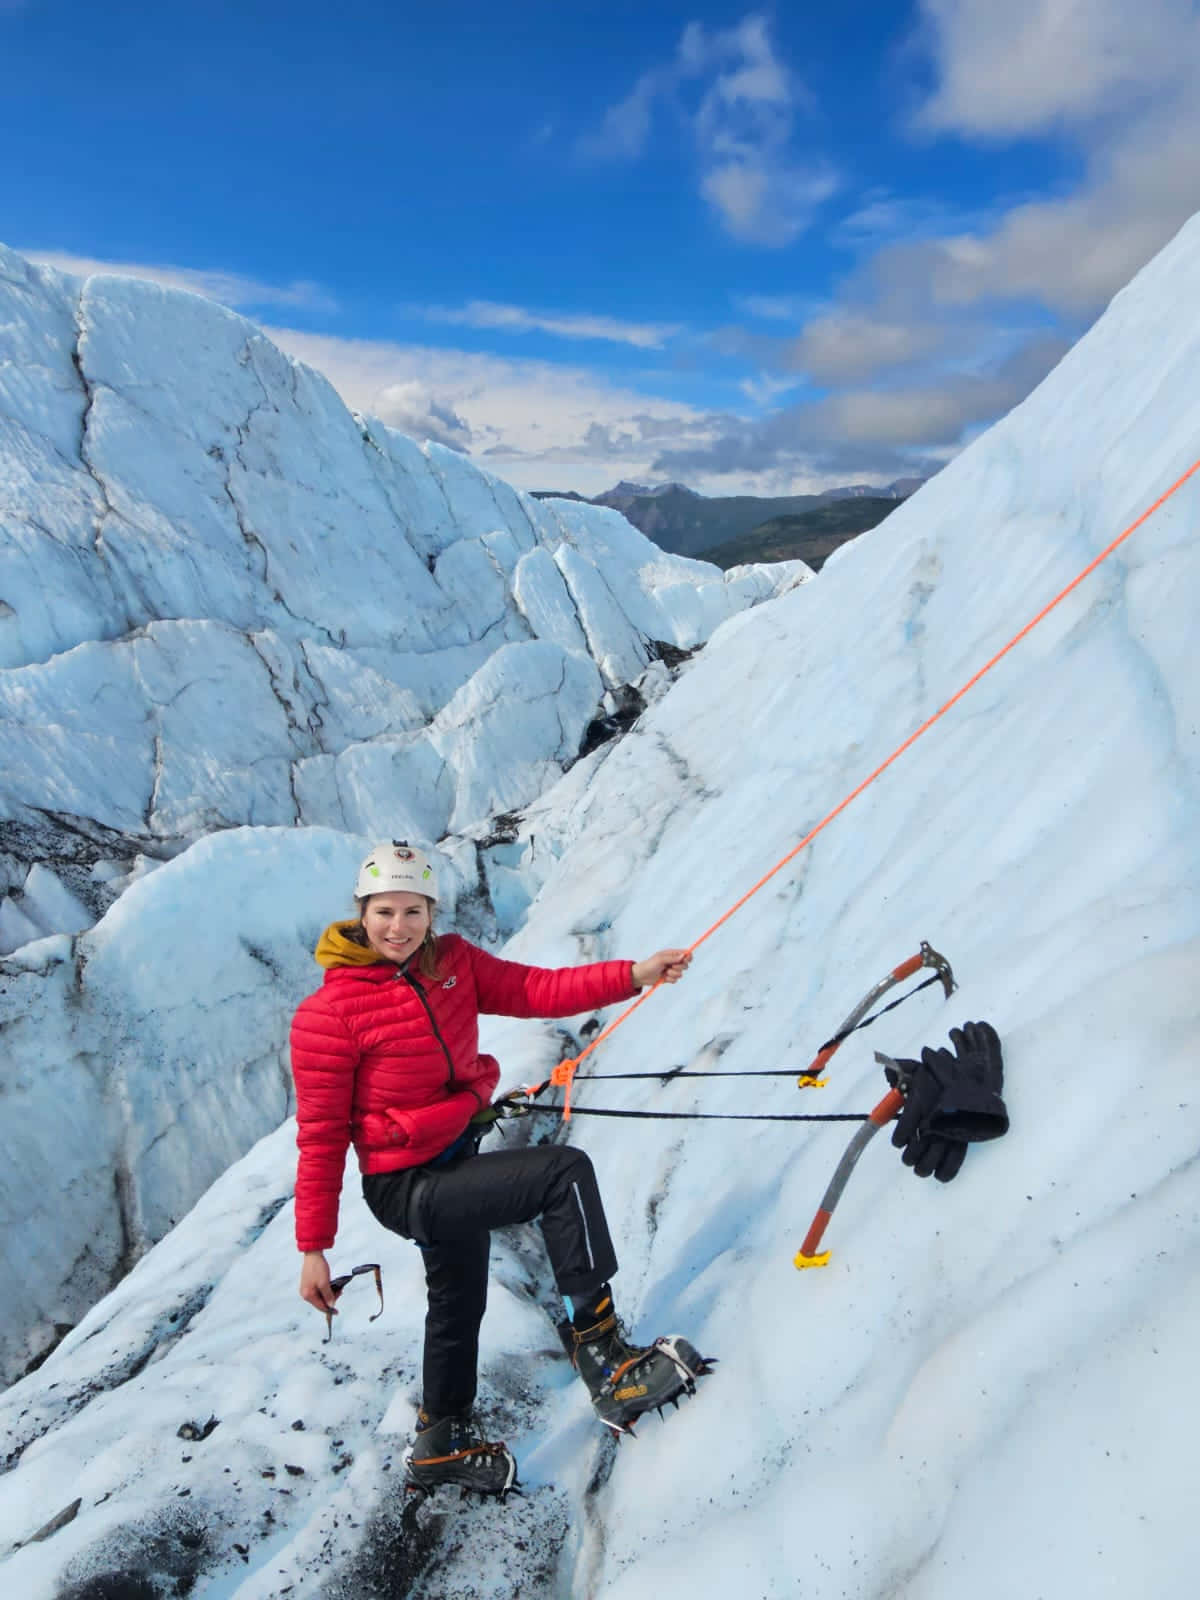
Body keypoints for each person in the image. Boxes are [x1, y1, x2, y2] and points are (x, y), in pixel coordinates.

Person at [290, 839, 704, 1498]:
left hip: (455, 1155)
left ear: (432, 912)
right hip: (405, 1185)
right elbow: (320, 1137)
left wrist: (635, 975)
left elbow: (535, 989)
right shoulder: (329, 1016)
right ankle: (605, 1358)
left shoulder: (452, 964)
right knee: (560, 1174)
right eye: (384, 912)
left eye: (412, 911)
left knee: (460, 1302)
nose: (398, 927)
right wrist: (313, 1248)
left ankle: (439, 1441)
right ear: (360, 913)